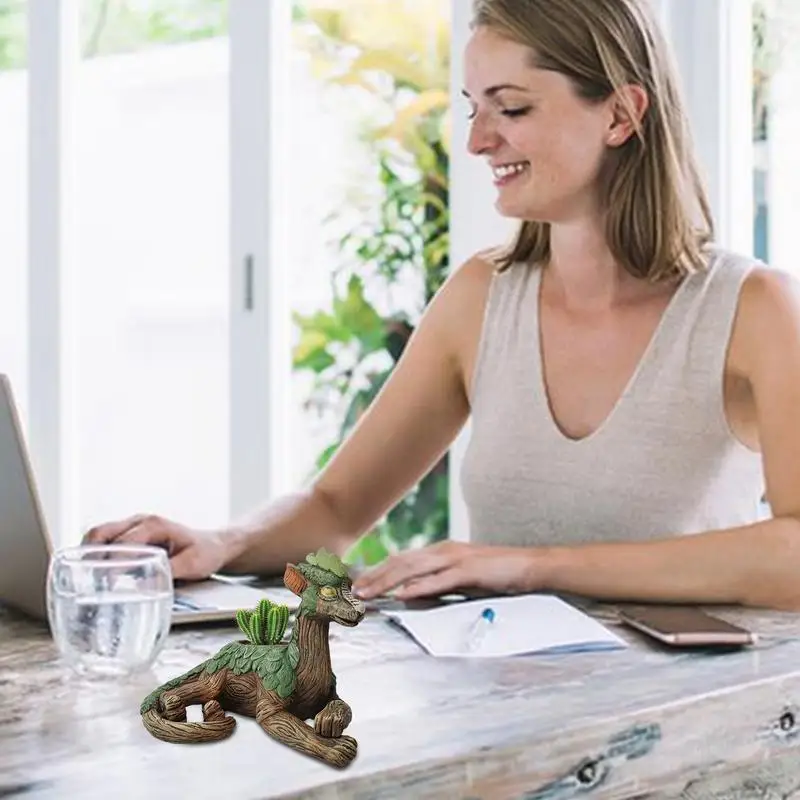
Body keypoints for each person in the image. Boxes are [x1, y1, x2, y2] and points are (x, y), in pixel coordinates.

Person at [84, 0, 800, 611]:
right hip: (502, 722)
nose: (478, 140)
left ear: (620, 113)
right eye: (474, 108)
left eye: (511, 108)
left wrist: (528, 566)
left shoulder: (753, 308)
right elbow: (337, 508)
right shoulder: (480, 298)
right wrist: (222, 542)